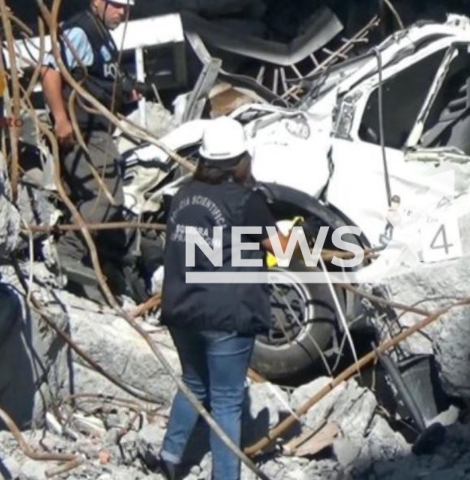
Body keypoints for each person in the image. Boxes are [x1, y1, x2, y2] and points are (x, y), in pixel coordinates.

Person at [158, 117, 293, 480]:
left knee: (193, 383)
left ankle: (170, 456)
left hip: (181, 308)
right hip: (226, 315)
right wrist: (301, 233)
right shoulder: (246, 201)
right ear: (240, 159)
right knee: (228, 400)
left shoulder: (183, 195)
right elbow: (279, 250)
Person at [40, 0, 141, 298]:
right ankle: (68, 252)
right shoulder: (82, 31)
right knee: (103, 198)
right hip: (83, 128)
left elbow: (99, 79)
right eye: (117, 6)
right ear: (98, 2)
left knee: (107, 198)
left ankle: (95, 267)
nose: (122, 12)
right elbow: (49, 71)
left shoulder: (102, 35)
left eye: (126, 8)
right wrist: (61, 119)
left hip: (97, 128)